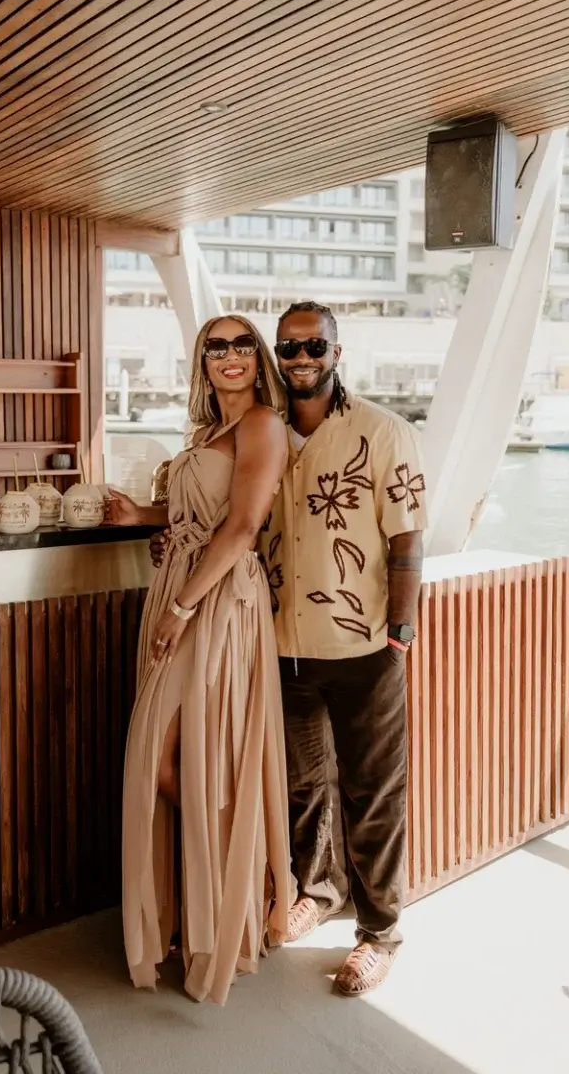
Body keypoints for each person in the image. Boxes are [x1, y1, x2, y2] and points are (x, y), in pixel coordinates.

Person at [150, 301, 427, 997]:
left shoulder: (382, 431)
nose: (301, 359)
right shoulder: (263, 429)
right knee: (302, 784)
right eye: (290, 348)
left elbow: (407, 535)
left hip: (362, 644)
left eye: (314, 347)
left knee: (373, 791)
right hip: (277, 642)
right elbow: (233, 515)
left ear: (337, 352)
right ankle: (319, 890)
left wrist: (400, 629)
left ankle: (380, 933)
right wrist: (169, 530)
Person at [107, 315, 294, 1006]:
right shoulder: (207, 432)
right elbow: (193, 514)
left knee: (165, 756)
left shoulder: (262, 424)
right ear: (203, 361)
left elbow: (242, 526)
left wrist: (182, 607)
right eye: (217, 346)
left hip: (215, 600)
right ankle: (211, 897)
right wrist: (141, 516)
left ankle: (236, 890)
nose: (230, 356)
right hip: (181, 586)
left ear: (258, 359)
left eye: (243, 345)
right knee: (185, 757)